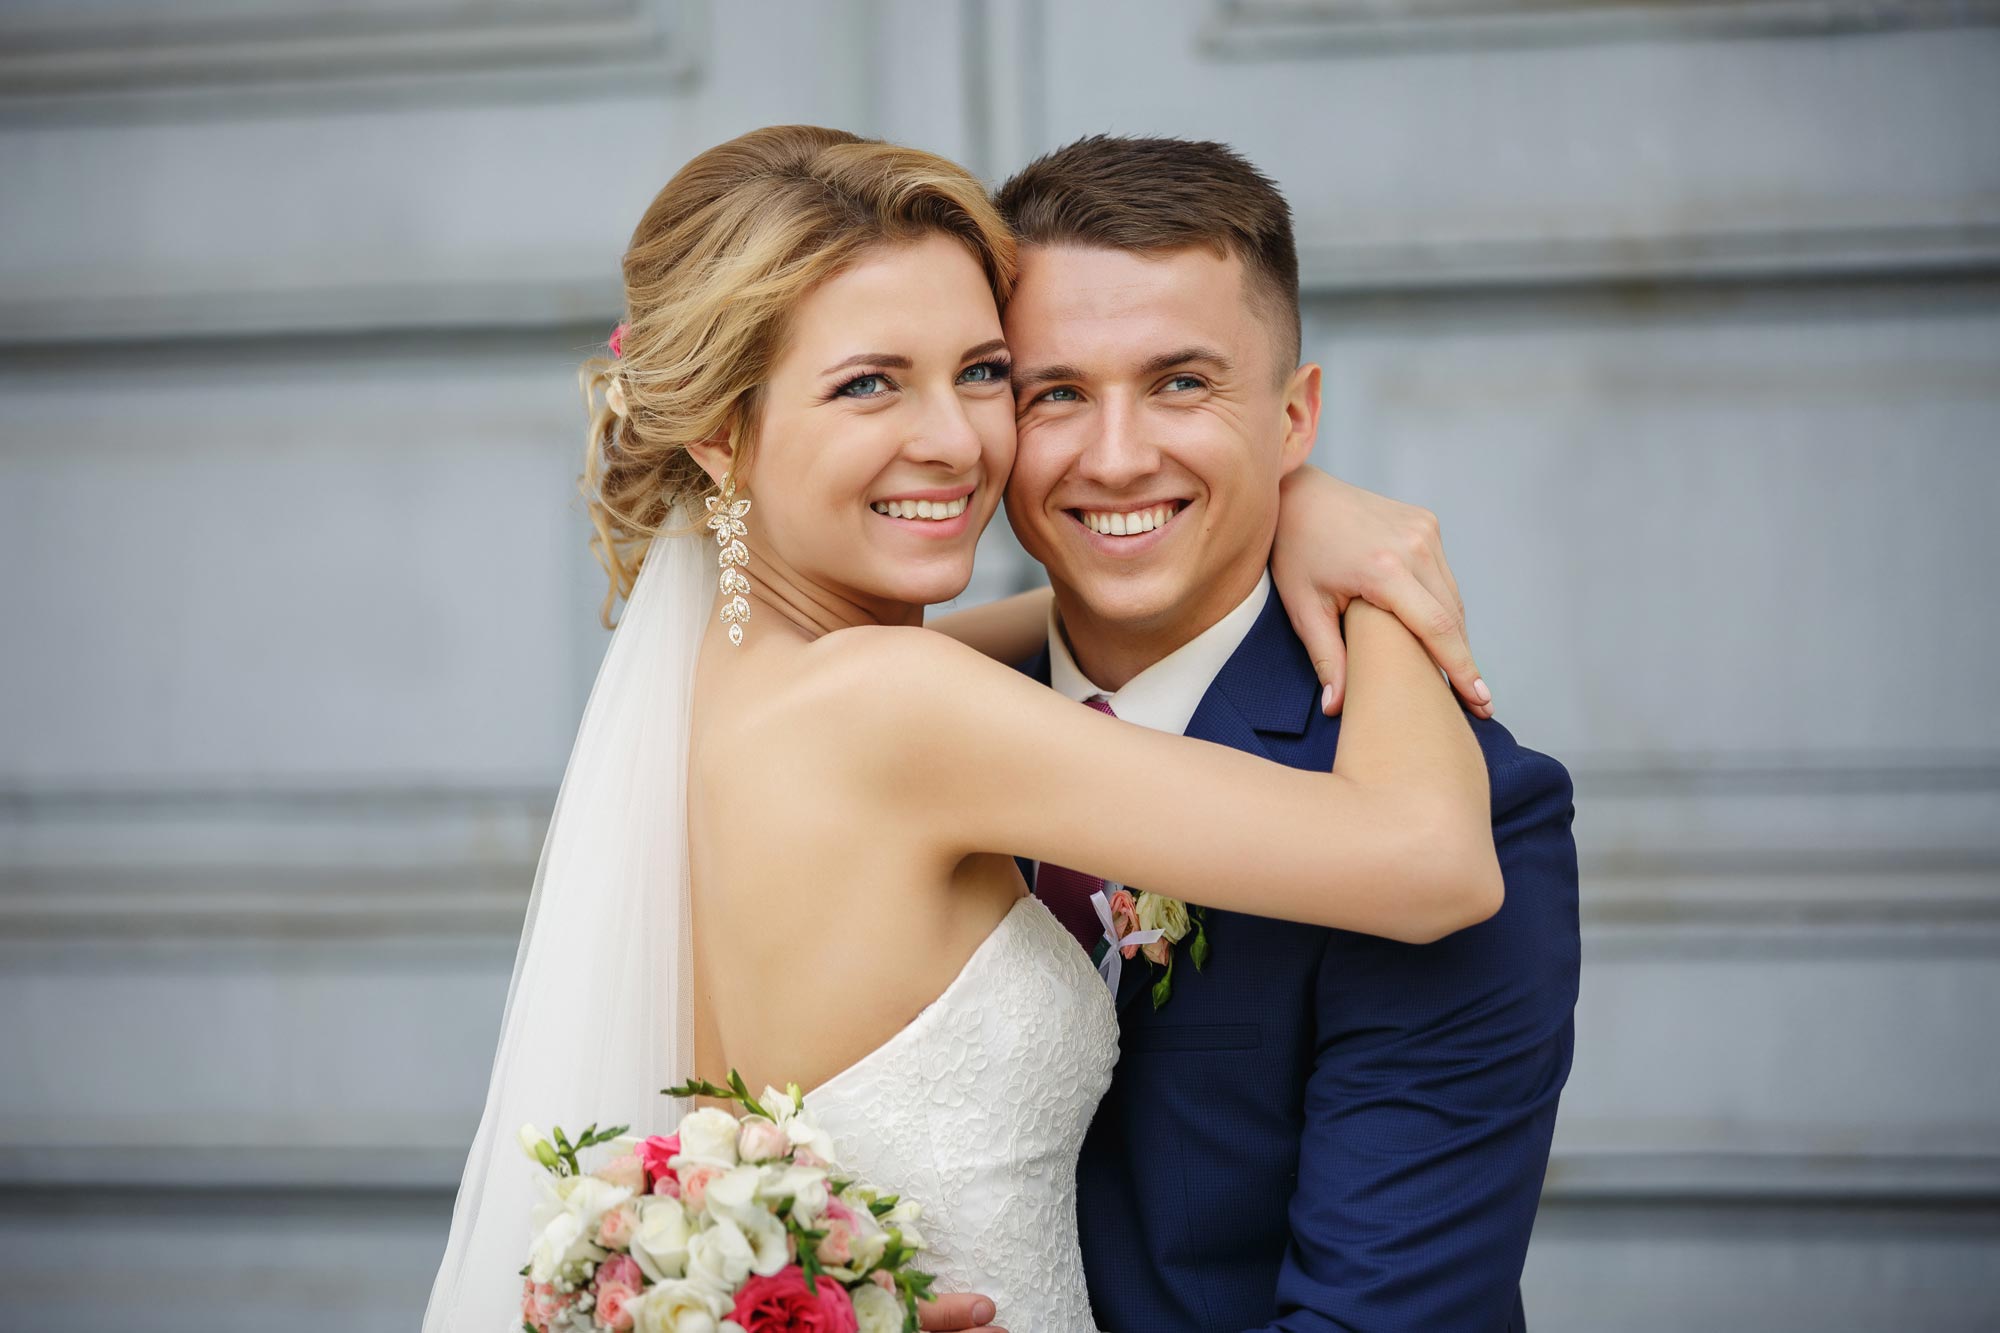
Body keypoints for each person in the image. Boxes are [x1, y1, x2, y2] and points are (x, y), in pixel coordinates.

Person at [422, 125, 1503, 1332]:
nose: (955, 439)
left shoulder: (726, 691)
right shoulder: (895, 706)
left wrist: (1267, 515)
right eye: (868, 383)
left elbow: (1037, 628)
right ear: (720, 432)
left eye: (983, 371)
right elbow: (1432, 858)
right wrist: (1374, 582)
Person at [928, 136, 1581, 1333]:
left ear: (1294, 419)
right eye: (1053, 392)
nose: (1115, 455)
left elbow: (1378, 1319)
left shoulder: (1462, 807)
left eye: (1181, 383)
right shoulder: (907, 726)